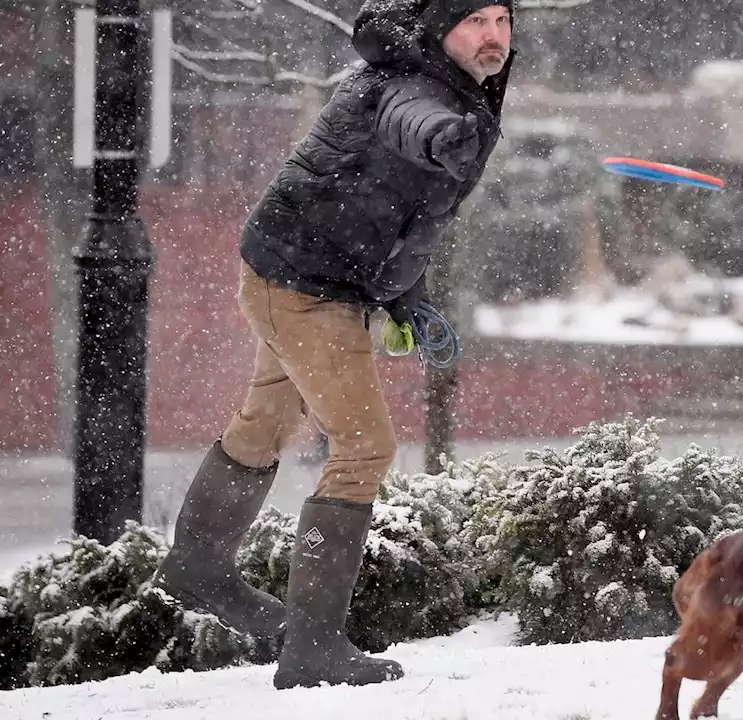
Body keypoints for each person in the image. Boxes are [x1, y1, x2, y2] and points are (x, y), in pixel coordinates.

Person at [150, 0, 516, 690]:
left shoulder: (445, 81)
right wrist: (445, 136)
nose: (493, 37)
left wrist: (412, 299)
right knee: (364, 448)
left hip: (287, 270)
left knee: (268, 421)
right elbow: (410, 122)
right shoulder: (420, 91)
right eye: (476, 22)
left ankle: (197, 566)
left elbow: (407, 214)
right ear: (441, 29)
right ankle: (312, 645)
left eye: (502, 21)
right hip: (310, 289)